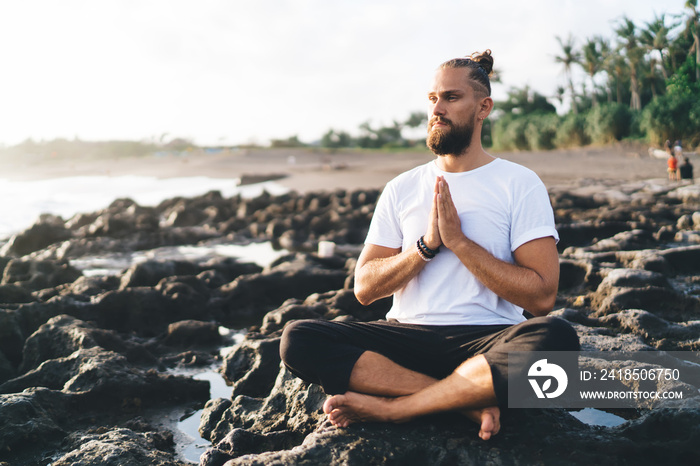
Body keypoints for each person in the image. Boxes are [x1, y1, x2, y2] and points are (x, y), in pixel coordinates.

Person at [280, 50, 580, 441]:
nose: (437, 108)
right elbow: (365, 287)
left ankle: (397, 407)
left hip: (490, 340)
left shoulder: (518, 183)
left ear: (483, 107)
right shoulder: (402, 187)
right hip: (408, 339)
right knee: (298, 337)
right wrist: (424, 247)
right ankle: (466, 401)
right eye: (432, 98)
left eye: (451, 98)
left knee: (556, 340)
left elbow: (541, 298)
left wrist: (459, 243)